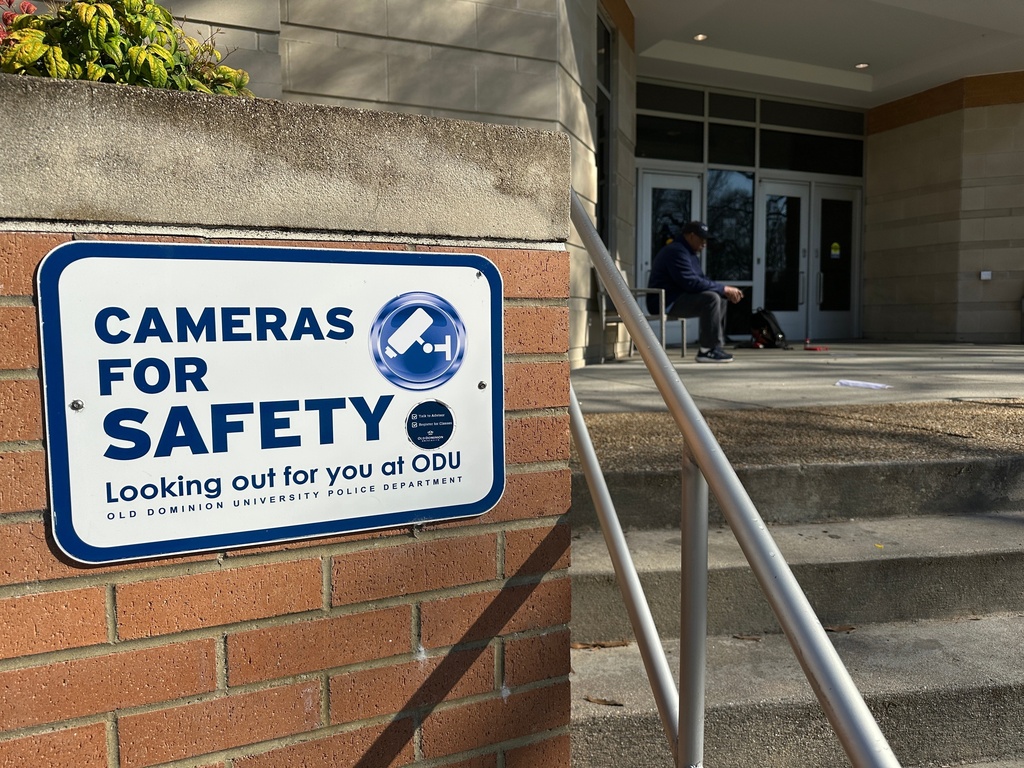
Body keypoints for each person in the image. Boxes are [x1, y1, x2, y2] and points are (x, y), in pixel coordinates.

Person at [647, 221, 743, 363]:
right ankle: (706, 350)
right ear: (691, 236)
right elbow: (690, 283)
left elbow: (701, 280)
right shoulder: (676, 251)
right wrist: (724, 288)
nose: (704, 243)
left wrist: (723, 291)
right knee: (711, 298)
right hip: (664, 301)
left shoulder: (689, 254)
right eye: (702, 239)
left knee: (720, 298)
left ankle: (715, 347)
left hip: (677, 297)